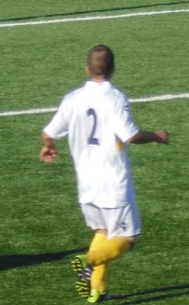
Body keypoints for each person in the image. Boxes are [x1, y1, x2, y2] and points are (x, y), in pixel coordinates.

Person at [40, 44, 170, 303]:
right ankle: (87, 261)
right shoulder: (116, 97)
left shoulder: (72, 98)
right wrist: (157, 136)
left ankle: (97, 291)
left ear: (87, 69)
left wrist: (49, 147)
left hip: (86, 185)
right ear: (114, 69)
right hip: (113, 183)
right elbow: (131, 136)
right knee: (128, 238)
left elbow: (48, 133)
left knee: (103, 231)